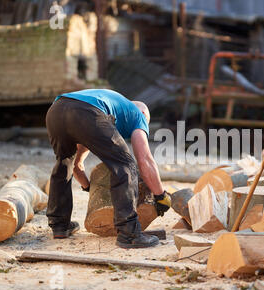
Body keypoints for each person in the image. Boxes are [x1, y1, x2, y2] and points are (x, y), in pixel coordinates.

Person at [45, 88, 171, 249]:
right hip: (86, 112)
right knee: (125, 165)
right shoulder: (138, 115)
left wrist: (88, 187)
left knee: (64, 163)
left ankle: (59, 225)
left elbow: (77, 165)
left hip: (56, 110)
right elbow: (145, 160)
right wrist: (160, 195)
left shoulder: (110, 107)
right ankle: (129, 233)